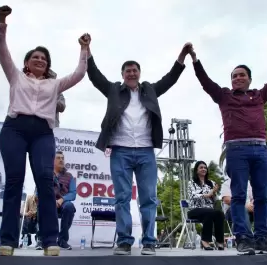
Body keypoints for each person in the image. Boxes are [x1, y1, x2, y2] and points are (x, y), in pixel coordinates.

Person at [0, 5, 89, 256]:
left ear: (47, 66)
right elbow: (1, 48)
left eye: (44, 58)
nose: (40, 60)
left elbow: (80, 73)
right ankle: (8, 241)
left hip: (43, 133)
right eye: (35, 57)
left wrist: (84, 48)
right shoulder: (15, 75)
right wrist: (2, 20)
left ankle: (50, 240)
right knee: (14, 181)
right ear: (27, 62)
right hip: (14, 128)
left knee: (46, 182)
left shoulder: (55, 84)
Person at [85, 33, 190, 256]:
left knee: (148, 198)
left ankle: (149, 242)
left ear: (139, 74)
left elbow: (170, 78)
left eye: (135, 70)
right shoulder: (114, 89)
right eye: (127, 71)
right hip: (120, 151)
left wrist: (182, 56)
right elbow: (94, 76)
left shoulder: (149, 89)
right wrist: (87, 49)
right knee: (122, 197)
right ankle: (124, 241)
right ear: (122, 75)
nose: (131, 73)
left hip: (145, 152)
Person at [190, 43, 267, 255]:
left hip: (260, 149)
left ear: (249, 78)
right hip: (236, 150)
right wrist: (195, 59)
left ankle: (263, 238)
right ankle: (243, 239)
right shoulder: (224, 96)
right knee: (238, 196)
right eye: (234, 76)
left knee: (261, 197)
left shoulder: (258, 96)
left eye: (241, 75)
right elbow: (205, 82)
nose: (237, 78)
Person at [187, 161, 225, 250]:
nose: (204, 169)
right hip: (195, 209)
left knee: (219, 213)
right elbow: (194, 196)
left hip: (209, 209)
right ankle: (205, 241)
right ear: (196, 170)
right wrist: (208, 194)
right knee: (209, 212)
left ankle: (220, 241)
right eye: (201, 167)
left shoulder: (211, 182)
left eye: (205, 167)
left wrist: (214, 193)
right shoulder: (192, 183)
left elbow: (215, 200)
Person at [52, 151, 76, 250]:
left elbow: (73, 193)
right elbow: (39, 192)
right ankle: (42, 239)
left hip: (63, 203)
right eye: (58, 158)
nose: (61, 160)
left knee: (69, 206)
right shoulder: (46, 174)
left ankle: (62, 240)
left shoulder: (69, 176)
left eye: (62, 158)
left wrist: (62, 199)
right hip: (48, 202)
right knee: (42, 204)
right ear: (52, 160)